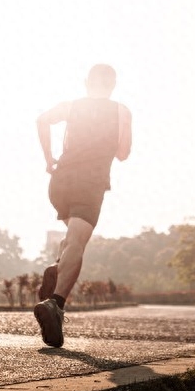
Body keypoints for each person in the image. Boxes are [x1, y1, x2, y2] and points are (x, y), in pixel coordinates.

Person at [34, 64, 132, 347]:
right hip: (89, 184)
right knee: (77, 242)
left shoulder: (71, 106)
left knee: (72, 238)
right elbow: (124, 153)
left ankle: (56, 268)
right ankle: (55, 304)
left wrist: (48, 158)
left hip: (59, 182)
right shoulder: (121, 111)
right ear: (113, 85)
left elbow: (41, 120)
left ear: (86, 82)